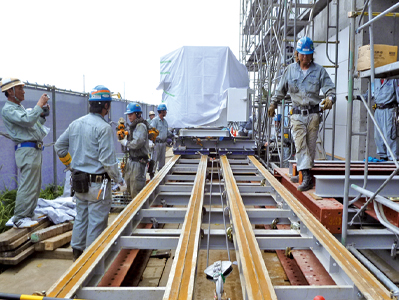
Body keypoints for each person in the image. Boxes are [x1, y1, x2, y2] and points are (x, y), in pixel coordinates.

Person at [54, 85, 127, 261]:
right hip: (97, 185)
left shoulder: (75, 123)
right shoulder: (103, 128)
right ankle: (90, 264)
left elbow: (59, 147)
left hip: (79, 182)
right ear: (106, 107)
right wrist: (120, 181)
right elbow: (108, 162)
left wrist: (72, 165)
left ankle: (77, 255)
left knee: (81, 218)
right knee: (96, 223)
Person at [267, 37, 336, 191]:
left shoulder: (319, 71)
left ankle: (303, 172)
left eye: (308, 54)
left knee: (310, 147)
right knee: (300, 144)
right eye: (302, 55)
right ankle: (306, 178)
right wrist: (273, 103)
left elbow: (330, 89)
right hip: (297, 115)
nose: (305, 58)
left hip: (313, 115)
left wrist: (330, 98)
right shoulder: (290, 70)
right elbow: (280, 90)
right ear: (297, 54)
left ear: (312, 54)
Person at [1, 78, 50, 228]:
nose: (23, 91)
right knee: (27, 184)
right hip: (26, 150)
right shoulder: (8, 109)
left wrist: (41, 115)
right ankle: (20, 217)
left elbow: (33, 125)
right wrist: (39, 105)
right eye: (20, 88)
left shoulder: (19, 108)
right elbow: (28, 121)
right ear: (10, 91)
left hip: (33, 149)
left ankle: (29, 212)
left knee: (35, 184)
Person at [118, 103, 149, 198]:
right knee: (128, 186)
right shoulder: (133, 126)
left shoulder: (140, 126)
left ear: (137, 114)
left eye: (131, 114)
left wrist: (126, 143)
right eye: (128, 114)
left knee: (136, 188)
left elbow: (138, 142)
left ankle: (137, 211)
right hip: (131, 161)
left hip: (138, 162)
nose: (129, 116)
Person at [363, 79, 399, 161]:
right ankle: (383, 158)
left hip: (389, 110)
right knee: (378, 136)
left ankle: (393, 161)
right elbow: (369, 94)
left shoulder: (393, 79)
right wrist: (358, 97)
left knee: (390, 135)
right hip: (378, 110)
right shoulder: (375, 80)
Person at [150, 103, 173, 172]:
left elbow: (166, 131)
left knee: (162, 161)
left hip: (163, 144)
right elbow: (151, 130)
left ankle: (161, 175)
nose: (166, 112)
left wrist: (173, 135)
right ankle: (152, 174)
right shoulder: (155, 120)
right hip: (157, 143)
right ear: (162, 111)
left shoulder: (165, 122)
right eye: (165, 111)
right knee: (154, 160)